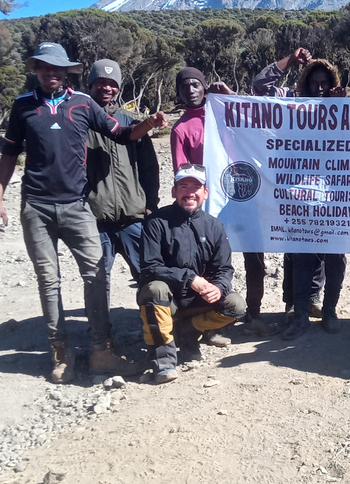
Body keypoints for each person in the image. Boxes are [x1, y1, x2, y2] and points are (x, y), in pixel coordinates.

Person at [0, 42, 167, 383]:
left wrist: (149, 124)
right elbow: (10, 155)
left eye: (58, 67)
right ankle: (60, 351)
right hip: (36, 206)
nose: (51, 72)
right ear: (36, 70)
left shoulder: (83, 103)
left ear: (67, 71)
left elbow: (121, 134)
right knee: (49, 280)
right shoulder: (22, 107)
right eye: (45, 66)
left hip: (77, 205)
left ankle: (102, 350)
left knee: (96, 273)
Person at [170, 66, 279, 340]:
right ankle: (211, 324)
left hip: (243, 198)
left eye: (196, 84)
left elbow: (256, 120)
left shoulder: (225, 116)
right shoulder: (181, 129)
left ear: (205, 87)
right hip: (208, 208)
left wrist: (231, 95)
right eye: (185, 86)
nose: (191, 90)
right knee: (209, 264)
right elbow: (182, 175)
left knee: (255, 260)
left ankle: (253, 314)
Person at [252, 48, 348, 339]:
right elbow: (260, 87)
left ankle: (329, 311)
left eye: (324, 84)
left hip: (334, 195)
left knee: (335, 257)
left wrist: (340, 108)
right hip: (299, 194)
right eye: (314, 83)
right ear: (305, 83)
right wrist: (290, 61)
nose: (319, 89)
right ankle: (302, 313)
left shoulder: (343, 108)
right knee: (303, 255)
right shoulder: (291, 103)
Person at [137, 164, 246, 384]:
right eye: (183, 186)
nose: (190, 192)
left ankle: (187, 331)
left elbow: (224, 269)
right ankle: (163, 360)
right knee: (154, 290)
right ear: (174, 192)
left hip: (199, 300)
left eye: (196, 187)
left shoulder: (214, 226)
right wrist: (189, 278)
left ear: (205, 193)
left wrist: (219, 288)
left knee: (236, 305)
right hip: (170, 300)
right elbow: (150, 267)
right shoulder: (156, 222)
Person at [86, 58, 160, 310]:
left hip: (133, 217)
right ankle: (101, 340)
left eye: (112, 84)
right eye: (101, 83)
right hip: (95, 220)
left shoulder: (130, 122)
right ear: (90, 84)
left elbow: (150, 167)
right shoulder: (79, 121)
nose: (107, 88)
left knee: (150, 277)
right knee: (96, 281)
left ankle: (153, 333)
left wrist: (151, 204)